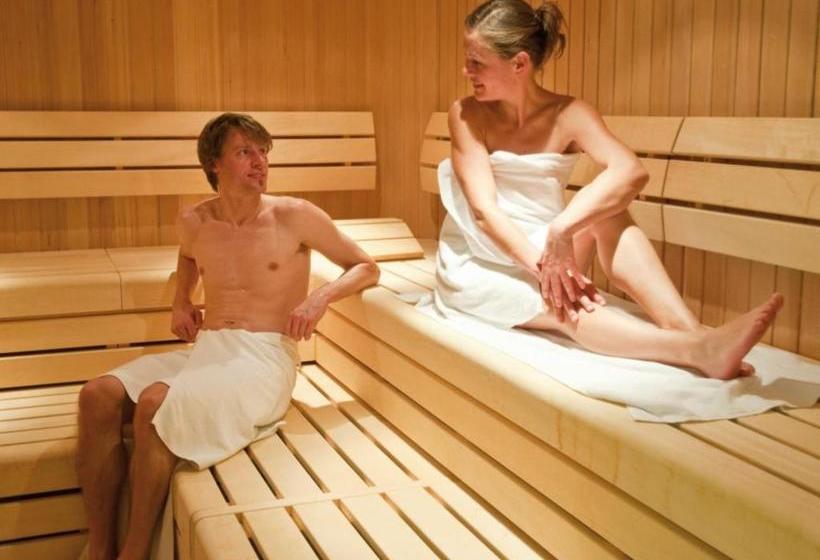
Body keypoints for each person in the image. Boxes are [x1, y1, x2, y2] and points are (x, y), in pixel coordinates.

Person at [76, 113, 380, 560]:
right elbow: (187, 258)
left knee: (156, 402)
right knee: (97, 395)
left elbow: (366, 266)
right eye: (244, 152)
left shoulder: (294, 216)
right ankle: (100, 549)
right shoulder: (195, 221)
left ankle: (134, 554)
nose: (260, 162)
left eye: (263, 152)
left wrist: (320, 298)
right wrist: (181, 300)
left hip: (264, 357)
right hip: (211, 348)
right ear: (214, 164)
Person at [433, 0, 782, 381]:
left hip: (547, 244)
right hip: (482, 256)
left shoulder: (569, 114)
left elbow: (630, 171)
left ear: (519, 63)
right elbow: (484, 212)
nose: (466, 71)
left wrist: (561, 229)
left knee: (608, 210)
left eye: (476, 62)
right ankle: (697, 349)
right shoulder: (467, 114)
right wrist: (546, 267)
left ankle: (689, 329)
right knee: (564, 307)